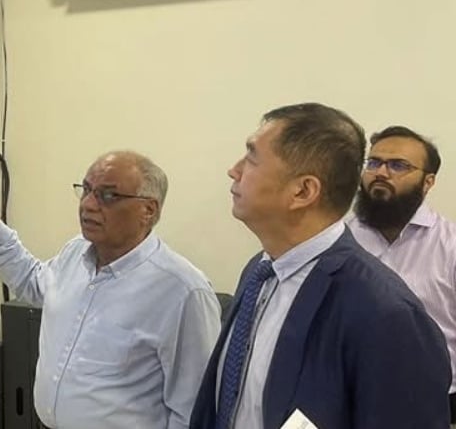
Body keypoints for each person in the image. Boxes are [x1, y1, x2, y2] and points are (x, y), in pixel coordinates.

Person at [190, 103, 450, 429]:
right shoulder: (261, 269)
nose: (234, 170)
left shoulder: (385, 311)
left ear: (303, 191)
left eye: (252, 157)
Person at [0, 150, 220, 429]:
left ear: (148, 210)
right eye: (86, 189)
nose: (87, 204)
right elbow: (34, 283)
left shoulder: (183, 292)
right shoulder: (77, 251)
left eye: (108, 196)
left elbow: (195, 408)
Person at [346, 125, 456, 424]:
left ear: (428, 181)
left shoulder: (451, 246)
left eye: (398, 165)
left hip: (437, 405)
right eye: (374, 162)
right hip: (350, 401)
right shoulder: (339, 243)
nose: (381, 172)